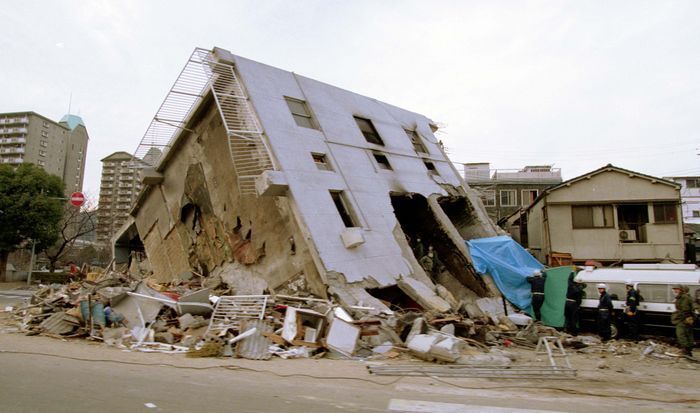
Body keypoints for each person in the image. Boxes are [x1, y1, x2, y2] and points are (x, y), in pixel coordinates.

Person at [671, 284, 694, 357]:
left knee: (680, 334)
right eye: (674, 289)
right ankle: (688, 350)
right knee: (687, 334)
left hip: (683, 319)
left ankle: (686, 350)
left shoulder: (684, 298)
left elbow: (685, 310)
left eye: (677, 289)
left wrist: (680, 318)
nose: (675, 290)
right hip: (686, 318)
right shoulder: (682, 297)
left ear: (681, 290)